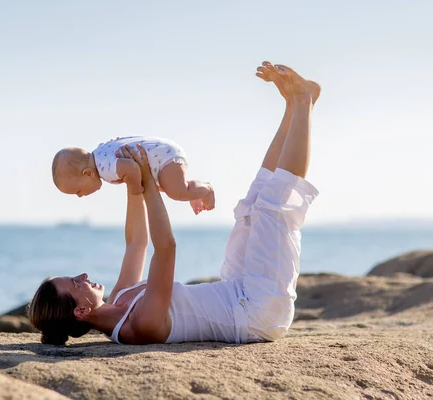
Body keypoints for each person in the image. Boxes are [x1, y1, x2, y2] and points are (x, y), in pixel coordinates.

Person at [29, 61, 320, 345]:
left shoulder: (119, 297)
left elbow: (137, 244)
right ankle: (305, 100)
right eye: (76, 283)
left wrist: (135, 185)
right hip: (258, 313)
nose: (83, 275)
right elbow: (165, 249)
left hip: (235, 287)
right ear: (81, 311)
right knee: (272, 205)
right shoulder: (138, 326)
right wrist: (147, 180)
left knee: (253, 205)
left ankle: (292, 108)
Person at [52, 136, 215, 214]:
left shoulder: (104, 167)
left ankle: (206, 189)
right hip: (161, 154)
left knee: (176, 192)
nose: (80, 196)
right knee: (162, 188)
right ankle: (191, 192)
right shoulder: (100, 153)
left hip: (164, 157)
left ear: (87, 174)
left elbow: (130, 167)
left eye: (77, 191)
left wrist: (135, 188)